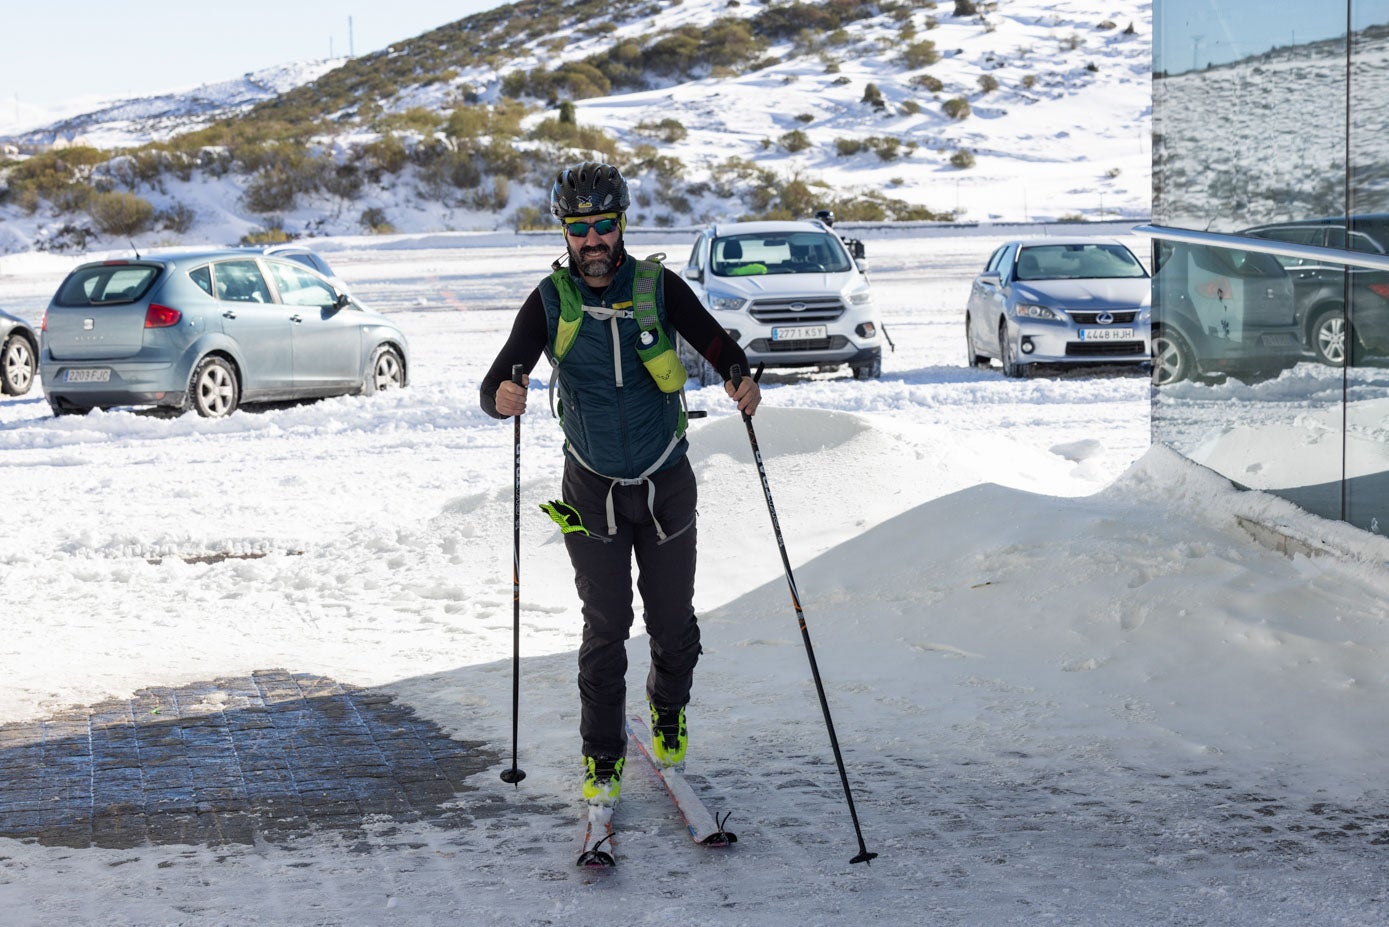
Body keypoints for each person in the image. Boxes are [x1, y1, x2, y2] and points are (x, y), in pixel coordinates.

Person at [480, 161, 761, 806]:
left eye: (604, 226)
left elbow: (719, 347)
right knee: (605, 628)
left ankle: (667, 708)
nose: (593, 241)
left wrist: (741, 378)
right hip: (590, 491)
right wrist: (504, 396)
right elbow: (493, 386)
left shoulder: (658, 287)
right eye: (579, 229)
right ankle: (601, 758)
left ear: (622, 225)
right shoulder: (551, 302)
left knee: (672, 626)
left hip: (666, 481)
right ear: (565, 232)